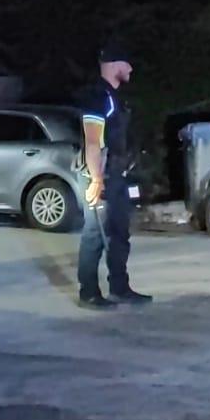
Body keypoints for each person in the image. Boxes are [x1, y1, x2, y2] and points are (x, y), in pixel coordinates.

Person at [75, 43, 152, 309]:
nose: (131, 69)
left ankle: (120, 288)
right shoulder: (98, 96)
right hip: (100, 174)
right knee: (95, 234)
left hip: (116, 175)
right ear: (115, 64)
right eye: (127, 64)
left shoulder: (113, 96)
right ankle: (89, 293)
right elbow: (92, 142)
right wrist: (97, 180)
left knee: (119, 233)